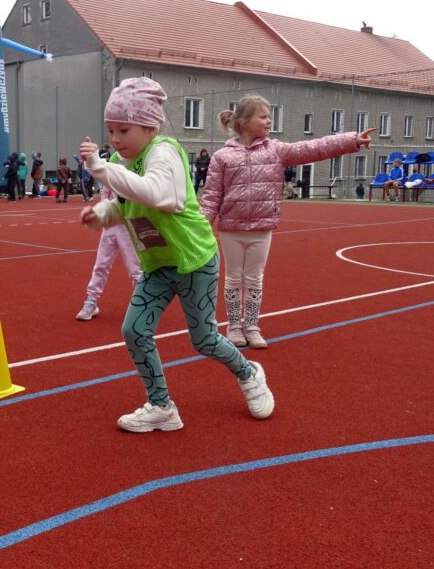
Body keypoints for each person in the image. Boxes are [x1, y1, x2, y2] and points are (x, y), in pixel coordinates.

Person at [79, 77, 273, 433]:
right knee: (134, 331)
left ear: (150, 127)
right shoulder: (124, 161)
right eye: (111, 130)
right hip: (159, 265)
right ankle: (161, 406)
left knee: (204, 340)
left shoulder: (163, 153)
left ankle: (249, 373)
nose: (116, 139)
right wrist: (103, 214)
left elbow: (159, 196)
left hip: (194, 261)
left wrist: (101, 168)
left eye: (124, 129)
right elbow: (127, 204)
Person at [201, 95, 375, 349]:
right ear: (244, 122)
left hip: (262, 228)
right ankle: (234, 325)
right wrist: (202, 226)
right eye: (263, 116)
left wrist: (350, 141)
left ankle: (252, 325)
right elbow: (211, 195)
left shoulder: (276, 150)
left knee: (254, 279)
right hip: (232, 229)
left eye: (269, 116)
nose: (269, 121)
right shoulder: (222, 157)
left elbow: (313, 148)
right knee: (233, 278)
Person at [75, 182, 142, 321]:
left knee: (135, 269)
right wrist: (100, 217)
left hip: (128, 226)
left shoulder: (133, 173)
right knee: (101, 265)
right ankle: (91, 301)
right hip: (110, 227)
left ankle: (141, 304)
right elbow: (105, 195)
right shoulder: (110, 174)